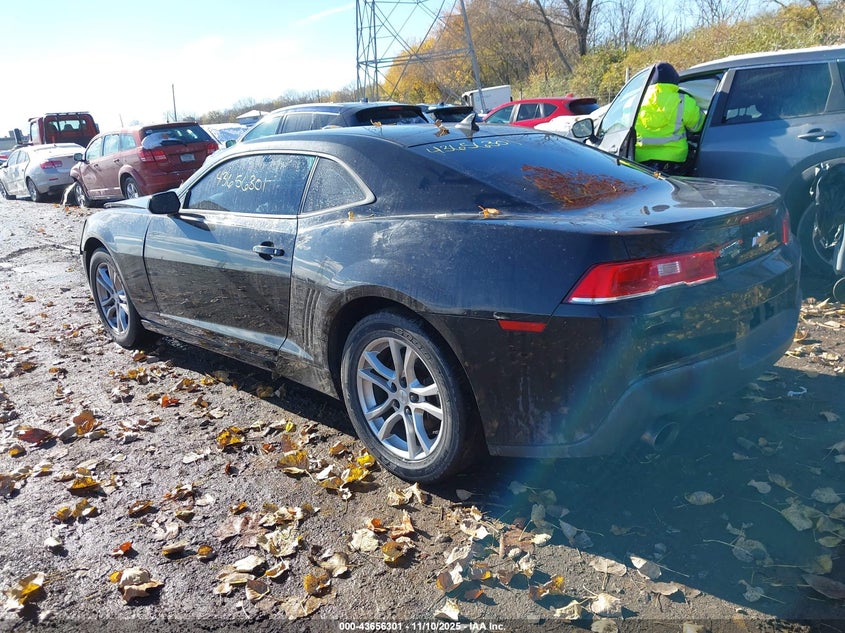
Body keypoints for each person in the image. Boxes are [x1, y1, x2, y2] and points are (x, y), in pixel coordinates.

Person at [634, 62, 704, 175]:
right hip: (674, 161)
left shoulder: (637, 102)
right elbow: (698, 125)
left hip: (641, 161)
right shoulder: (684, 101)